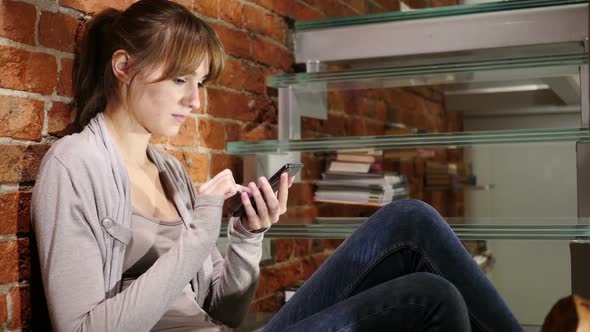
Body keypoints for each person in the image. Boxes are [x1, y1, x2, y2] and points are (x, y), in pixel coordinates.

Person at [31, 0, 523, 331]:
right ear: (123, 68)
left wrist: (245, 237)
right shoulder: (76, 166)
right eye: (181, 80)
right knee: (431, 299)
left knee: (412, 222)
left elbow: (225, 311)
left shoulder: (170, 171)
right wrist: (200, 234)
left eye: (200, 83)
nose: (194, 101)